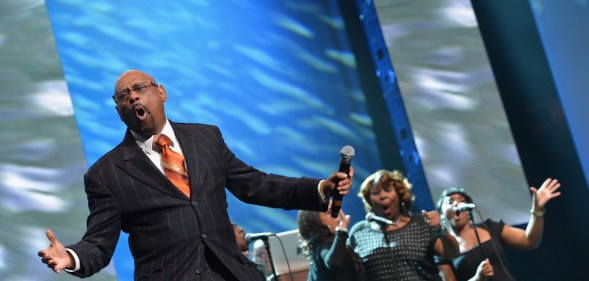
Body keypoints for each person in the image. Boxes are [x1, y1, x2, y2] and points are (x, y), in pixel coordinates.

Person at [37, 70, 354, 280]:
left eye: (139, 89)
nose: (132, 97)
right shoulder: (106, 174)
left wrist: (321, 189)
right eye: (122, 96)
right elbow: (99, 243)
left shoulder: (206, 138)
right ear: (118, 110)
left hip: (232, 273)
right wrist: (72, 256)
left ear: (161, 93)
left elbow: (255, 184)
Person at [436, 178, 561, 281]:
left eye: (462, 201)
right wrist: (477, 279)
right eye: (450, 202)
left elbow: (530, 241)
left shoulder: (490, 227)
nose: (457, 204)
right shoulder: (442, 248)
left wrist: (537, 210)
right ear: (441, 214)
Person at [348, 169, 458, 281]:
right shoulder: (359, 232)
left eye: (387, 190)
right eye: (375, 193)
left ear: (399, 194)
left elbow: (453, 252)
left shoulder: (420, 222)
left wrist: (440, 229)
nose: (382, 196)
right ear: (369, 200)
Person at [297, 202, 364, 281]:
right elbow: (334, 262)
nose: (336, 216)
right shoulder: (323, 245)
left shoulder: (321, 246)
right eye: (329, 212)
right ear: (315, 221)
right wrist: (342, 231)